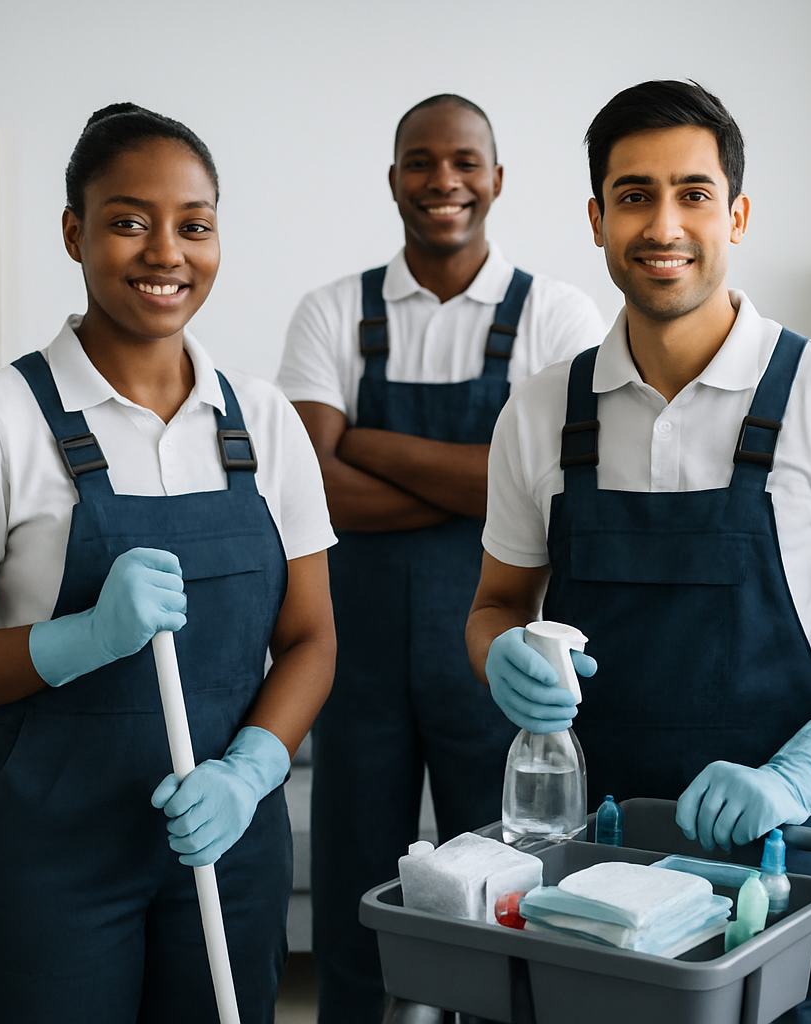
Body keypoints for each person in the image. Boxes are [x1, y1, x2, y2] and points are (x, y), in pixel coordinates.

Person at [466, 80, 811, 1024]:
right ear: (598, 220)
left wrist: (800, 772)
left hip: (779, 858)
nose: (664, 224)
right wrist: (499, 659)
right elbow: (495, 602)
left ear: (738, 214)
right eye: (635, 196)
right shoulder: (540, 412)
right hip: (587, 862)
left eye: (693, 193)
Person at [0, 103, 337, 1024]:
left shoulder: (263, 423)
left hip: (225, 843)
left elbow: (312, 639)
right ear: (73, 231)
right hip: (49, 856)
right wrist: (85, 637)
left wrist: (250, 773)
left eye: (194, 225)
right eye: (130, 220)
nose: (166, 252)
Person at [276, 93, 604, 1021]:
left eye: (464, 161)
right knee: (352, 896)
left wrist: (367, 442)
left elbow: (549, 492)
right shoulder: (333, 310)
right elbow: (312, 490)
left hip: (493, 660)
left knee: (509, 895)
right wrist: (482, 468)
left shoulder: (558, 313)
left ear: (497, 179)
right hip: (357, 665)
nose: (443, 181)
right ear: (393, 181)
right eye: (421, 162)